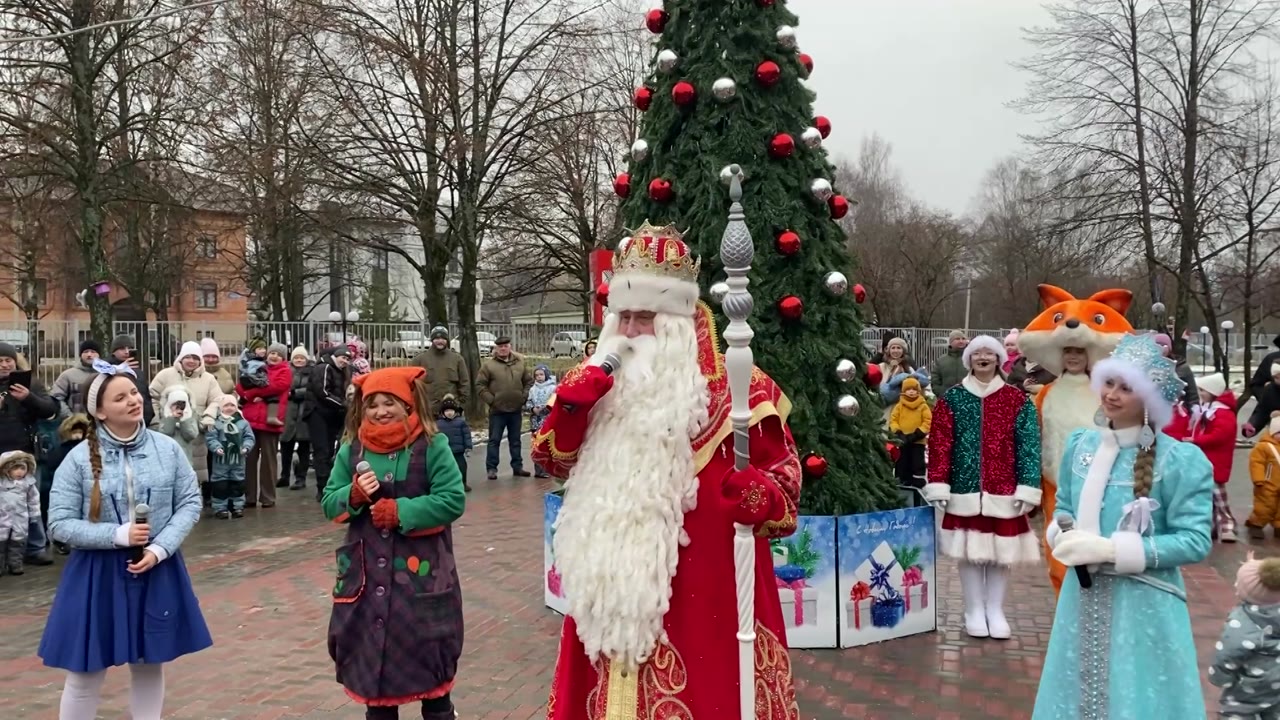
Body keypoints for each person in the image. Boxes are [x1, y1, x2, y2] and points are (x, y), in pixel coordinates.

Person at [532, 224, 801, 718]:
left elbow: (785, 486)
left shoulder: (741, 389)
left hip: (705, 595)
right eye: (624, 317)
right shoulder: (593, 382)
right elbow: (552, 461)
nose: (631, 332)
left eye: (645, 318)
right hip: (606, 592)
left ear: (677, 322)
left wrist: (757, 495)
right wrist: (570, 411)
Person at [1033, 333, 1212, 719]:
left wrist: (1114, 550)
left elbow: (1195, 540)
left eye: (1126, 388)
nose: (1111, 395)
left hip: (1144, 604)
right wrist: (1063, 534)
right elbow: (1064, 506)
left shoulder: (1180, 460)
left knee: (1134, 696)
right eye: (1109, 383)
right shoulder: (1080, 445)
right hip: (1082, 596)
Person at [38, 359, 212, 720]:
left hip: (156, 567)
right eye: (120, 398)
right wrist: (116, 535)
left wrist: (160, 548)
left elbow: (190, 502)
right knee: (85, 670)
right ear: (99, 412)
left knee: (149, 663)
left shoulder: (167, 449)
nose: (133, 400)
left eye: (134, 392)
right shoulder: (77, 459)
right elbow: (59, 523)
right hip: (96, 573)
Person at [321, 366, 466, 720]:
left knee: (432, 672)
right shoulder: (352, 450)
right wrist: (353, 495)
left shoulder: (432, 445)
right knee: (376, 680)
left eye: (390, 402)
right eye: (372, 404)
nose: (380, 411)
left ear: (408, 404)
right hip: (366, 580)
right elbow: (329, 503)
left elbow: (452, 499)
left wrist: (400, 511)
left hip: (423, 579)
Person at [1018, 283, 1133, 596]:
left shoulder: (1104, 391)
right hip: (1055, 482)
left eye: (1078, 352)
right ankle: (1063, 605)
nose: (1073, 357)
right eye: (1068, 352)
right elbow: (1034, 435)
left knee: (1096, 543)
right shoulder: (1046, 393)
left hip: (1100, 479)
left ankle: (1095, 603)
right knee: (1057, 545)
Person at [924, 334, 1041, 640]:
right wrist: (938, 482)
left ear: (999, 359)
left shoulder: (1016, 400)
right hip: (964, 488)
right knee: (969, 552)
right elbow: (939, 444)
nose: (983, 357)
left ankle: (995, 610)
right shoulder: (952, 399)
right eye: (977, 353)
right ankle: (974, 610)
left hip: (1005, 489)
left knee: (1001, 553)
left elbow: (1029, 445)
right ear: (969, 359)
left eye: (990, 353)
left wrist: (1028, 485)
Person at [0, 343, 59, 566]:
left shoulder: (30, 383)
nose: (4, 365)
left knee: (30, 503)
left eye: (8, 360)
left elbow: (50, 410)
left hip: (24, 455)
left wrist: (28, 398)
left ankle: (35, 548)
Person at [1210, 554, 1280, 719]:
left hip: (1254, 683)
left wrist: (1220, 677)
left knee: (1239, 710)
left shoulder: (1243, 622)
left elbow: (1228, 652)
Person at [148, 341, 222, 487]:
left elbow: (217, 400)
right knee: (168, 474)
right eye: (187, 357)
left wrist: (208, 417)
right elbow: (152, 398)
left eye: (195, 358)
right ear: (181, 358)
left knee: (194, 476)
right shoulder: (165, 375)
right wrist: (156, 421)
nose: (191, 361)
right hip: (167, 432)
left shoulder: (208, 379)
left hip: (195, 433)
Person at [1184, 372, 1239, 543]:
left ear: (1213, 392)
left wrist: (1196, 440)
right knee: (1209, 494)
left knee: (1218, 495)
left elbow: (1220, 435)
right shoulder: (1211, 410)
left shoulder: (1222, 413)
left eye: (1202, 390)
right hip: (1208, 458)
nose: (1200, 394)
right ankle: (1215, 525)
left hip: (1216, 459)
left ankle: (1227, 525)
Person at [238, 343, 291, 508]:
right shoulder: (257, 365)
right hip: (250, 420)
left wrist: (253, 392)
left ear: (283, 358)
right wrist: (247, 394)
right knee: (248, 461)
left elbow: (275, 387)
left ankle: (268, 497)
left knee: (269, 462)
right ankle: (249, 496)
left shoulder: (285, 371)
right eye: (272, 353)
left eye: (278, 354)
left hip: (270, 422)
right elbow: (240, 385)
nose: (274, 356)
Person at [476, 336, 532, 480]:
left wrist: (523, 397)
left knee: (516, 440)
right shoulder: (489, 366)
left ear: (509, 347)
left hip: (516, 409)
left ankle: (517, 467)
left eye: (505, 346)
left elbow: (528, 382)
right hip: (497, 411)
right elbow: (480, 385)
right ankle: (492, 468)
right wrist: (491, 400)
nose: (503, 349)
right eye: (500, 346)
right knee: (494, 440)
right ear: (496, 348)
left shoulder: (520, 363)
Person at [42, 415, 91, 555]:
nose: (77, 435)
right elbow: (52, 464)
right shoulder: (62, 449)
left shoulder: (90, 448)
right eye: (74, 432)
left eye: (80, 432)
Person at [309, 345, 352, 502]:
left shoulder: (342, 371)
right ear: (336, 356)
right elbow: (323, 392)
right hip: (319, 414)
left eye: (347, 359)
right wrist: (343, 404)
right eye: (343, 358)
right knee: (322, 451)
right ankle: (322, 487)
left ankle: (328, 485)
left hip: (333, 414)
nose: (345, 361)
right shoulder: (325, 368)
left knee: (329, 451)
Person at [207, 396, 255, 519]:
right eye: (226, 405)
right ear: (221, 408)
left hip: (238, 460)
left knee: (238, 484)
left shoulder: (243, 423)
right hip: (220, 461)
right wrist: (216, 447)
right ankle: (220, 508)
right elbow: (211, 438)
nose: (229, 408)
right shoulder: (215, 423)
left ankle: (237, 506)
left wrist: (246, 447)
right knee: (220, 485)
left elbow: (249, 437)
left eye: (232, 405)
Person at [411, 325, 471, 416]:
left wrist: (460, 405)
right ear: (432, 340)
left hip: (451, 411)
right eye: (437, 338)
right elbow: (412, 385)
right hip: (427, 411)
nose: (440, 341)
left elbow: (464, 383)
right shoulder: (419, 360)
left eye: (443, 338)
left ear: (447, 340)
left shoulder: (457, 359)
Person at [889, 376, 930, 502]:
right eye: (908, 389)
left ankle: (918, 483)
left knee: (917, 462)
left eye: (914, 389)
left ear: (918, 391)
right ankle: (902, 481)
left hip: (917, 441)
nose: (911, 392)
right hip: (902, 441)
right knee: (902, 461)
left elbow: (927, 421)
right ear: (903, 391)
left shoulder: (923, 406)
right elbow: (893, 420)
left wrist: (918, 433)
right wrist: (898, 432)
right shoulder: (899, 406)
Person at [279, 346, 313, 491]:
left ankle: (301, 478)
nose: (299, 360)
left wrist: (294, 393)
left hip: (304, 414)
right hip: (288, 414)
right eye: (296, 358)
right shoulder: (286, 370)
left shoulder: (312, 371)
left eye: (302, 358)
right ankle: (284, 476)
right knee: (286, 447)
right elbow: (281, 387)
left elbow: (312, 389)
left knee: (304, 449)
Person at [0, 450, 39, 575]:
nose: (19, 472)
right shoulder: (2, 483)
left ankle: (15, 564)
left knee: (18, 541)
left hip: (20, 517)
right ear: (6, 469)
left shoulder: (28, 483)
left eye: (22, 468)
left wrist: (34, 514)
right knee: (1, 541)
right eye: (15, 468)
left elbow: (33, 500)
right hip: (2, 517)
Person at [109, 335, 154, 427]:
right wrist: (118, 370)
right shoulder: (106, 368)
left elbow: (145, 397)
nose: (126, 352)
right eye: (122, 348)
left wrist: (147, 417)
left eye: (129, 348)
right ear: (113, 351)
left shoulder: (138, 372)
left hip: (143, 423)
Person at [1247, 418, 1280, 540]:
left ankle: (1278, 525)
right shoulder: (1264, 446)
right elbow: (1257, 463)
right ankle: (1256, 523)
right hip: (1267, 483)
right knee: (1265, 506)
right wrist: (1258, 479)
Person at [50, 339, 102, 414]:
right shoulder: (68, 375)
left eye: (93, 352)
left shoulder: (105, 375)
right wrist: (70, 416)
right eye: (86, 352)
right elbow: (56, 398)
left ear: (99, 355)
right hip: (76, 419)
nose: (89, 354)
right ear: (80, 355)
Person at [155, 386, 200, 470]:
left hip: (185, 458)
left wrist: (184, 420)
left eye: (182, 404)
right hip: (168, 459)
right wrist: (171, 419)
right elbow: (164, 433)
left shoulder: (190, 416)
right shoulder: (165, 416)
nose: (179, 407)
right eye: (175, 404)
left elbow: (192, 435)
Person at [437, 394, 473, 492]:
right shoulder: (438, 424)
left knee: (462, 467)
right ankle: (446, 485)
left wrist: (468, 447)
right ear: (443, 412)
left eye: (451, 410)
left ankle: (463, 483)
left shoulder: (460, 422)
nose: (449, 413)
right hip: (445, 451)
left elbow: (466, 435)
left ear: (455, 411)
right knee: (445, 469)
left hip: (458, 451)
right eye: (447, 411)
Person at [525, 363, 556, 478]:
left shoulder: (553, 388)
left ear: (546, 375)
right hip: (535, 422)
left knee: (548, 446)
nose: (539, 377)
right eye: (537, 375)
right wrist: (533, 409)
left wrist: (546, 408)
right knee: (537, 446)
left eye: (541, 374)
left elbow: (555, 402)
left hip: (548, 421)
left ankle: (550, 468)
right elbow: (528, 402)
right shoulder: (532, 389)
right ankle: (539, 470)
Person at [1153, 333, 1199, 410]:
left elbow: (1192, 394)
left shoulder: (1181, 367)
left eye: (1163, 345)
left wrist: (1194, 408)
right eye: (1156, 345)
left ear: (1169, 348)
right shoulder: (1145, 367)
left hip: (1178, 410)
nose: (1159, 349)